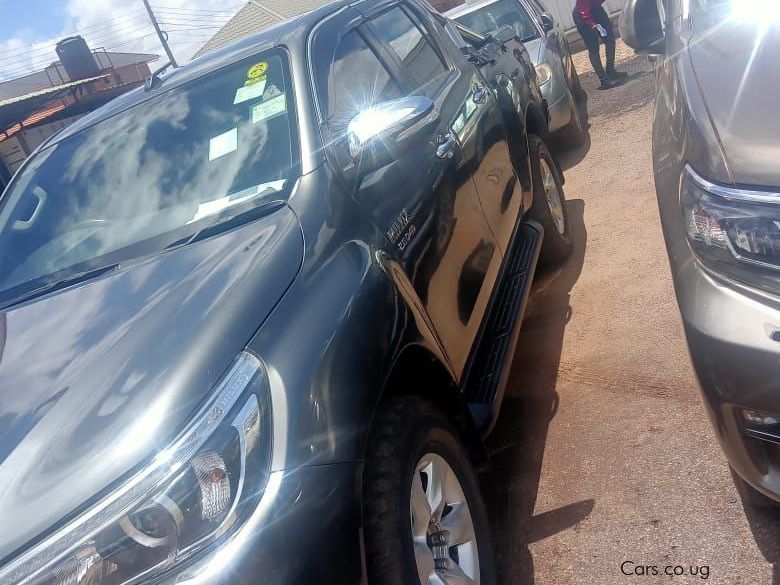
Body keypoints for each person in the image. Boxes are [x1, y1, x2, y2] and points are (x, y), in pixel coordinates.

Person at [573, 0, 628, 90]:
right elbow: (582, 4)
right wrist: (590, 22)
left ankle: (610, 71)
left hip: (596, 9)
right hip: (582, 13)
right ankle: (604, 80)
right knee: (593, 48)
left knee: (610, 39)